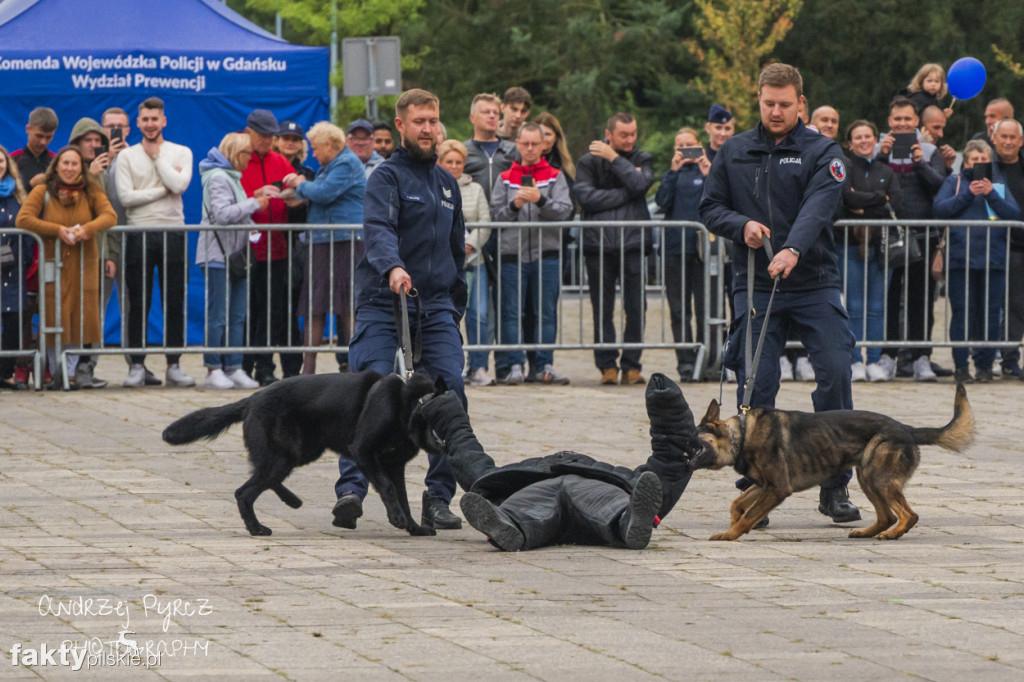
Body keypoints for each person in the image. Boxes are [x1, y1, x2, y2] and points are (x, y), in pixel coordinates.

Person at [699, 62, 861, 524]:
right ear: (759, 99)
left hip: (812, 282)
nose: (775, 111)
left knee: (835, 372)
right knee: (757, 385)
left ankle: (834, 488)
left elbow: (819, 206)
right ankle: (759, 485)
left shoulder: (822, 150)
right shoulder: (735, 150)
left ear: (801, 104)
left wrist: (791, 248)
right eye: (768, 103)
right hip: (753, 282)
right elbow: (709, 207)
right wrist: (741, 225)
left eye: (785, 104)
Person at [333, 88, 466, 533]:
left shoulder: (447, 184)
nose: (428, 129)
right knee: (367, 388)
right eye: (419, 121)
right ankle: (352, 489)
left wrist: (454, 305)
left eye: (433, 120)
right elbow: (378, 229)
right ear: (402, 126)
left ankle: (438, 496)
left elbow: (454, 249)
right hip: (382, 301)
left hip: (435, 307)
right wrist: (392, 266)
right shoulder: (385, 178)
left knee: (451, 396)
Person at [416, 373, 698, 551]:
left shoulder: (516, 477)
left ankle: (507, 523)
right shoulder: (607, 476)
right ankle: (629, 522)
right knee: (617, 506)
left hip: (531, 490)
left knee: (521, 509)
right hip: (599, 489)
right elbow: (670, 464)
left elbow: (472, 462)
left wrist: (446, 415)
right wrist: (669, 410)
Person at [17, 147, 116, 389]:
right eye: (65, 163)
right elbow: (24, 219)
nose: (70, 168)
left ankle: (70, 373)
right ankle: (56, 368)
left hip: (85, 265)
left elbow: (109, 216)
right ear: (57, 166)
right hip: (53, 264)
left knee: (79, 319)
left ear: (81, 167)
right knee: (53, 316)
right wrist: (58, 231)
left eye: (75, 164)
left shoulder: (91, 189)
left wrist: (87, 229)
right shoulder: (43, 190)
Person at [115, 97, 195, 388]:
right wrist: (163, 190)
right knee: (138, 302)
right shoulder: (126, 157)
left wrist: (158, 158)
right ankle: (137, 364)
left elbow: (179, 185)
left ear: (164, 121)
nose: (150, 124)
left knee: (174, 300)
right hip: (138, 233)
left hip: (172, 232)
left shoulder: (180, 151)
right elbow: (126, 199)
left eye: (154, 119)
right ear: (137, 123)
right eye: (145, 119)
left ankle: (174, 363)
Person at [574, 112, 655, 385]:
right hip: (598, 245)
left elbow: (641, 184)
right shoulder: (587, 161)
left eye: (633, 133)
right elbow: (585, 197)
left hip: (633, 244)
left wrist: (614, 158)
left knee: (636, 307)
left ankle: (632, 365)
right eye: (624, 135)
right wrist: (627, 194)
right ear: (609, 134)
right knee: (602, 308)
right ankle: (607, 365)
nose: (630, 139)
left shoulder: (642, 158)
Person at [491, 122, 574, 385]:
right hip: (512, 255)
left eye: (534, 144)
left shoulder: (555, 176)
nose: (529, 148)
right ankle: (515, 365)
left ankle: (544, 365)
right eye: (524, 143)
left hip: (547, 253)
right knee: (512, 313)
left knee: (546, 312)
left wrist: (541, 200)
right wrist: (515, 206)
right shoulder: (504, 177)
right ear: (517, 144)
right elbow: (495, 216)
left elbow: (565, 211)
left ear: (543, 145)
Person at [282, 122, 366, 376]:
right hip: (323, 241)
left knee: (348, 304)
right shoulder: (332, 165)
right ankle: (308, 370)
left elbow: (325, 193)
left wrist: (300, 182)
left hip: (344, 241)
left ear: (329, 145)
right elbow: (319, 194)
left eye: (316, 148)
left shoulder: (347, 163)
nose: (314, 154)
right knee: (314, 304)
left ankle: (355, 367)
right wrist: (295, 194)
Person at [876, 95, 949, 382]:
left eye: (908, 119)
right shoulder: (879, 148)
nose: (903, 124)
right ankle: (887, 356)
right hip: (889, 235)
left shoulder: (931, 150)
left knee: (921, 299)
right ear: (890, 121)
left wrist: (920, 163)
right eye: (897, 119)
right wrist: (880, 157)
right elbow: (870, 182)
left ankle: (922, 357)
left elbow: (940, 188)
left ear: (916, 121)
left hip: (923, 235)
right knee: (889, 298)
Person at [933, 140, 1019, 383]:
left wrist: (991, 193)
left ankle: (985, 366)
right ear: (966, 162)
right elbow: (940, 208)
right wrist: (967, 194)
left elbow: (1013, 213)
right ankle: (961, 366)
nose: (979, 166)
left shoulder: (998, 185)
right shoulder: (955, 182)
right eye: (974, 162)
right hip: (961, 260)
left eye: (984, 162)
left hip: (994, 261)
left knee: (991, 315)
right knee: (961, 314)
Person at [196, 133, 266, 390]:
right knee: (218, 315)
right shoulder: (218, 177)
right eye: (247, 153)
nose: (251, 158)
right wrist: (253, 203)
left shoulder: (231, 178)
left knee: (237, 314)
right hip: (217, 254)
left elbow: (234, 212)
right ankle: (213, 367)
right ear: (237, 154)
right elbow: (222, 214)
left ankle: (234, 366)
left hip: (235, 255)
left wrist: (251, 209)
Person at [240, 108, 302, 385]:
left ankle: (265, 368)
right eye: (262, 135)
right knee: (249, 310)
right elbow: (229, 198)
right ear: (248, 132)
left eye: (270, 136)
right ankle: (243, 365)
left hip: (277, 248)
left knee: (273, 310)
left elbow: (300, 195)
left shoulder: (279, 161)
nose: (267, 140)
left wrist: (297, 194)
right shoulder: (239, 160)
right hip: (246, 249)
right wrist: (255, 196)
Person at [840, 120, 903, 383]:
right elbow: (845, 199)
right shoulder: (843, 167)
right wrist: (879, 198)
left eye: (868, 136)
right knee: (853, 306)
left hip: (880, 248)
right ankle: (855, 361)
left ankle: (875, 360)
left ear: (876, 140)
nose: (864, 141)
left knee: (877, 307)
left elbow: (895, 203)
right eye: (858, 137)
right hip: (850, 246)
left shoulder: (886, 171)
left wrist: (865, 205)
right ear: (850, 142)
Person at [656, 127, 711, 383]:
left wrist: (707, 172)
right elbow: (661, 202)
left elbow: (719, 201)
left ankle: (706, 358)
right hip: (674, 250)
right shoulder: (672, 175)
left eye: (690, 145)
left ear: (700, 146)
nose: (686, 150)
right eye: (681, 146)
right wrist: (672, 171)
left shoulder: (708, 171)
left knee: (704, 309)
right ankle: (685, 363)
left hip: (703, 251)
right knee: (679, 311)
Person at [437, 139, 493, 387]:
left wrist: (468, 246)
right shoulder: (434, 187)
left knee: (479, 315)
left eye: (458, 162)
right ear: (440, 162)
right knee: (448, 316)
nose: (454, 166)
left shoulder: (476, 189)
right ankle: (450, 366)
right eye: (449, 161)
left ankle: (479, 365)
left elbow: (485, 221)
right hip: (444, 263)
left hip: (474, 261)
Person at [991, 118, 1024, 379]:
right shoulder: (986, 167)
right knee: (1006, 305)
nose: (1008, 142)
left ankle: (1010, 357)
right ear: (995, 138)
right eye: (1004, 137)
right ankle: (1004, 359)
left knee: (1018, 305)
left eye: (1013, 137)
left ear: (1020, 141)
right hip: (1002, 245)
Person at [0, 146, 33, 390]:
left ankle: (6, 373)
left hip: (13, 270)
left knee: (12, 321)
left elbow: (28, 231)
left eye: (1, 161)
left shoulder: (19, 195)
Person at [11, 107, 58, 190]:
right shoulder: (12, 160)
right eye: (39, 136)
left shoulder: (56, 162)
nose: (43, 142)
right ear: (28, 129)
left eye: (48, 137)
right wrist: (30, 184)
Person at [920, 106, 958, 172]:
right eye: (936, 127)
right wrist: (925, 147)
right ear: (922, 126)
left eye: (942, 128)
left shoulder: (938, 151)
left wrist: (946, 166)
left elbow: (938, 181)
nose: (941, 134)